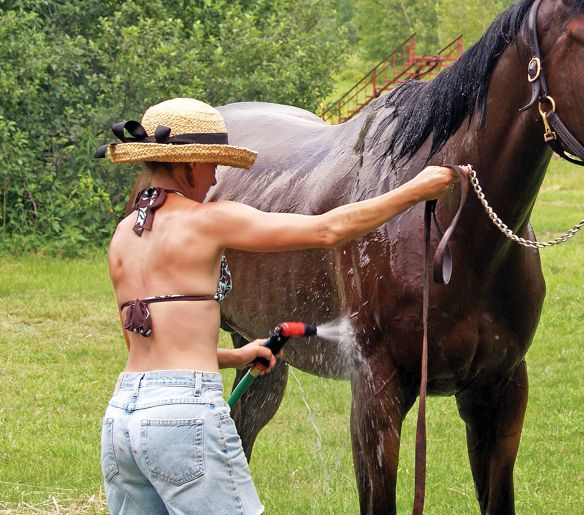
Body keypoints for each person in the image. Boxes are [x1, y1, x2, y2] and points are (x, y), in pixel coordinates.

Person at [95, 98, 460, 514]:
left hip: (123, 420)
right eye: (214, 164)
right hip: (184, 419)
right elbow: (328, 229)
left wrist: (237, 355)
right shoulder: (209, 220)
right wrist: (416, 189)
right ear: (190, 165)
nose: (216, 177)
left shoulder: (124, 236)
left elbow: (152, 350)